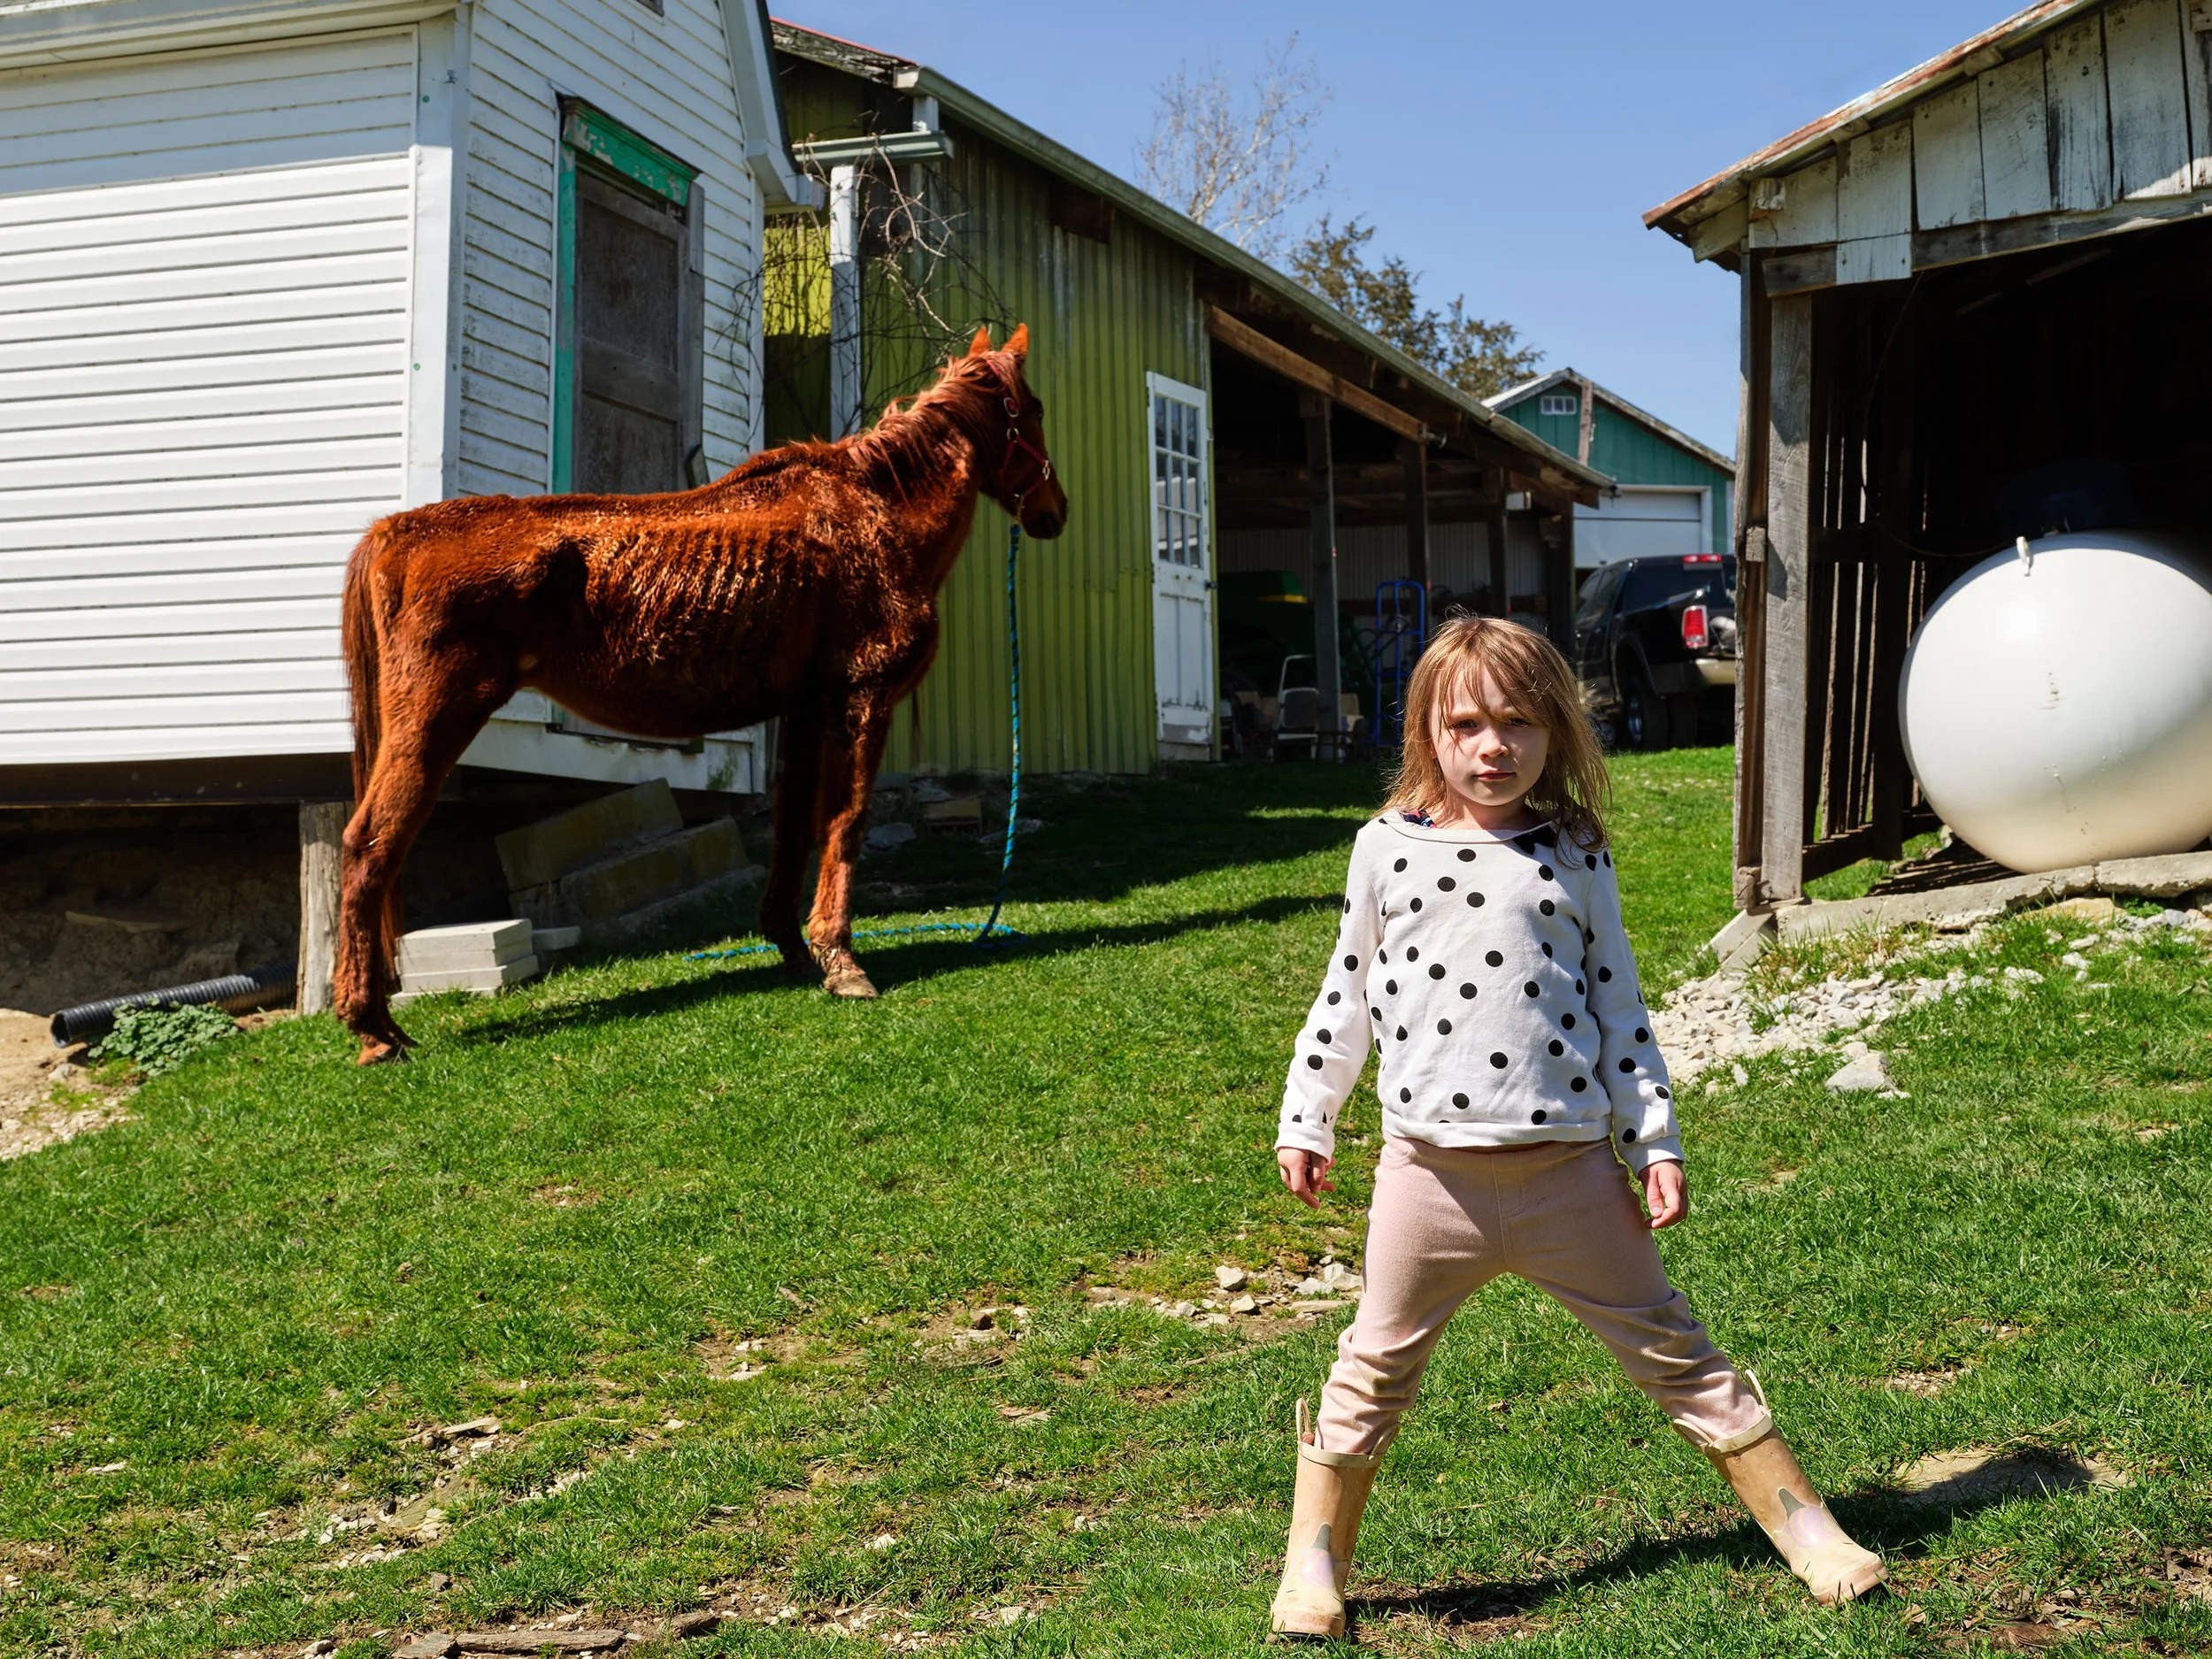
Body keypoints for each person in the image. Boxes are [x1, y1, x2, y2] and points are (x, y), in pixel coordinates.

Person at [1268, 617, 1883, 1640]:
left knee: (1676, 1351)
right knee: (1369, 1369)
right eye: (1465, 723)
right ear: (1429, 729)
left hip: (1570, 1179)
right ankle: (1313, 1567)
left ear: (1556, 730)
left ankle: (1805, 1526)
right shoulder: (1386, 849)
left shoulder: (1574, 851)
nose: (1492, 745)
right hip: (1428, 1184)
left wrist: (1656, 1142)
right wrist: (1309, 1117)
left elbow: (1616, 1009)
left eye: (1517, 722)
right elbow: (1346, 996)